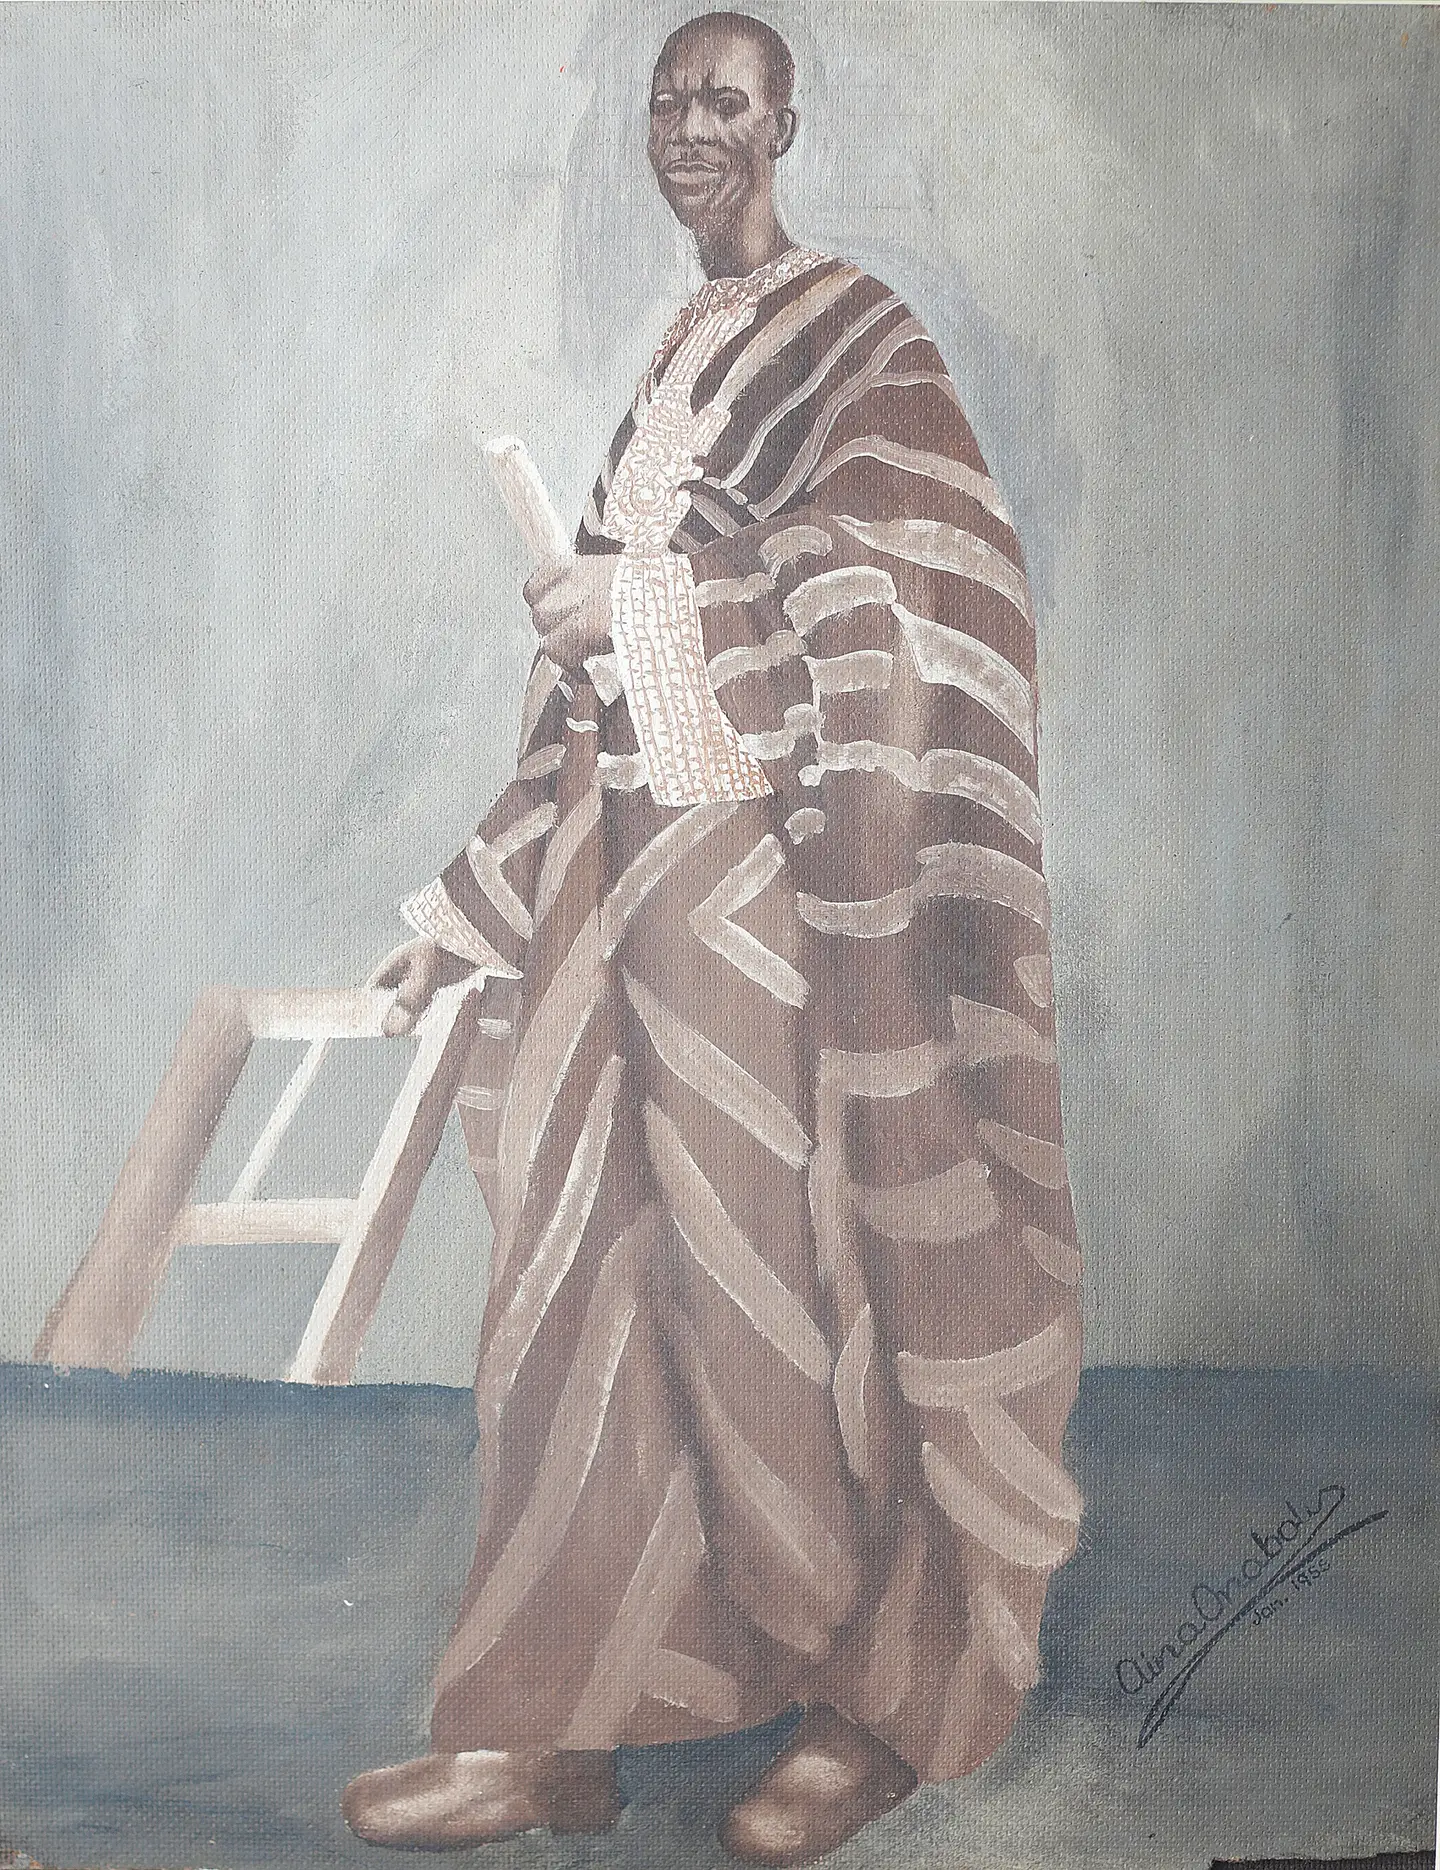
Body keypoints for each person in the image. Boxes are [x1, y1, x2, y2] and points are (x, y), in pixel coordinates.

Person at [342, 12, 1084, 1866]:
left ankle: (869, 1708)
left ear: (786, 125)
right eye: (667, 100)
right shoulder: (679, 356)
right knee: (577, 1286)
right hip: (622, 907)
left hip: (801, 929)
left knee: (820, 1283)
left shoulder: (860, 338)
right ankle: (555, 1723)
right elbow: (594, 699)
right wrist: (463, 908)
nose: (689, 127)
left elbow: (919, 596)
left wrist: (655, 602)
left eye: (725, 101)